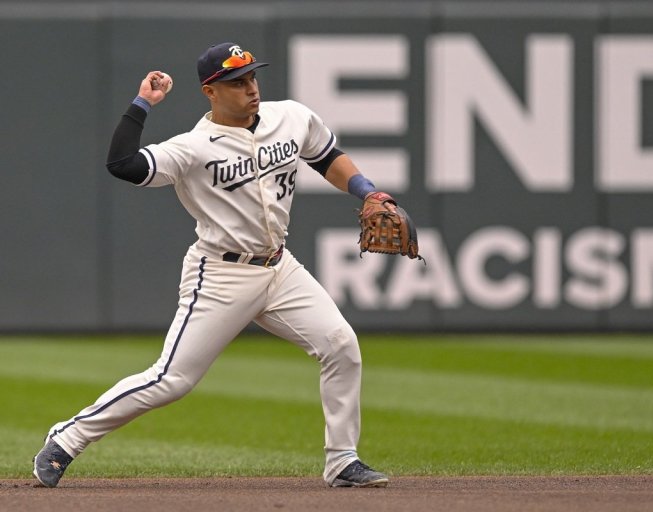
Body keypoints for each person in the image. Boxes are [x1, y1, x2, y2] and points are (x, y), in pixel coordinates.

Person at [33, 42, 393, 489]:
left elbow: (327, 157)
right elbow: (122, 164)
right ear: (211, 91)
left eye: (251, 78)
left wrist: (367, 191)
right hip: (221, 273)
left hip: (281, 268)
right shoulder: (193, 147)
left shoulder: (291, 117)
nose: (250, 89)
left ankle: (342, 461)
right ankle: (67, 437)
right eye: (236, 83)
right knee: (172, 379)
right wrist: (143, 102)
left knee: (340, 343)